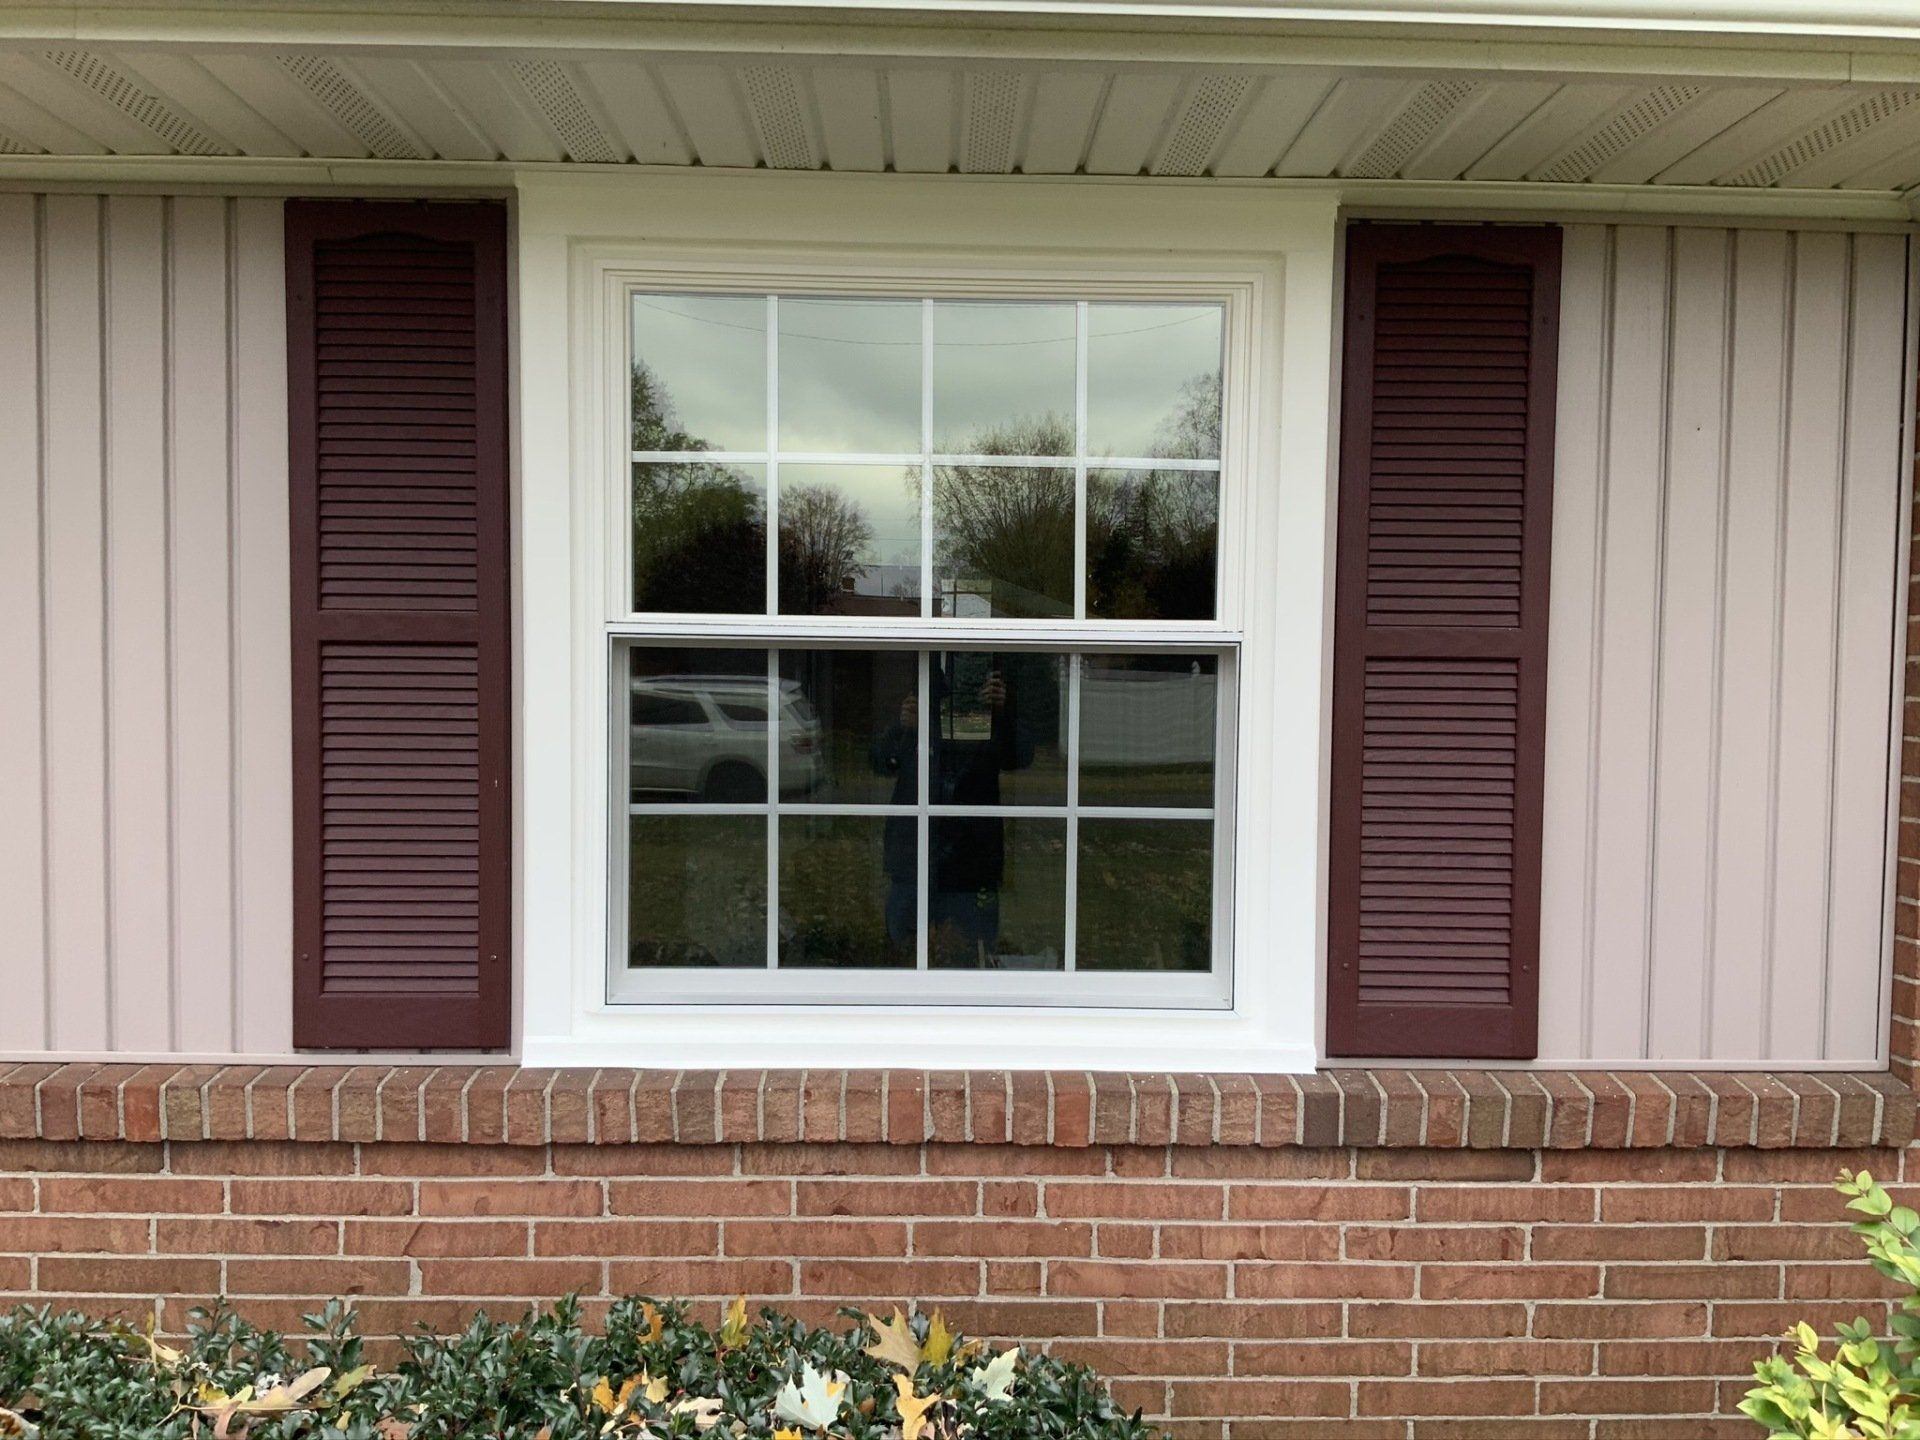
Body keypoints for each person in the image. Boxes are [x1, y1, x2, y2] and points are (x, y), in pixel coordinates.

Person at [870, 658, 1036, 967]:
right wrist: (903, 727)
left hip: (972, 865)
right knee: (901, 960)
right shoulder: (919, 710)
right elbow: (881, 761)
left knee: (971, 961)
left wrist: (1002, 714)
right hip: (912, 861)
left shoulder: (990, 718)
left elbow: (1021, 756)